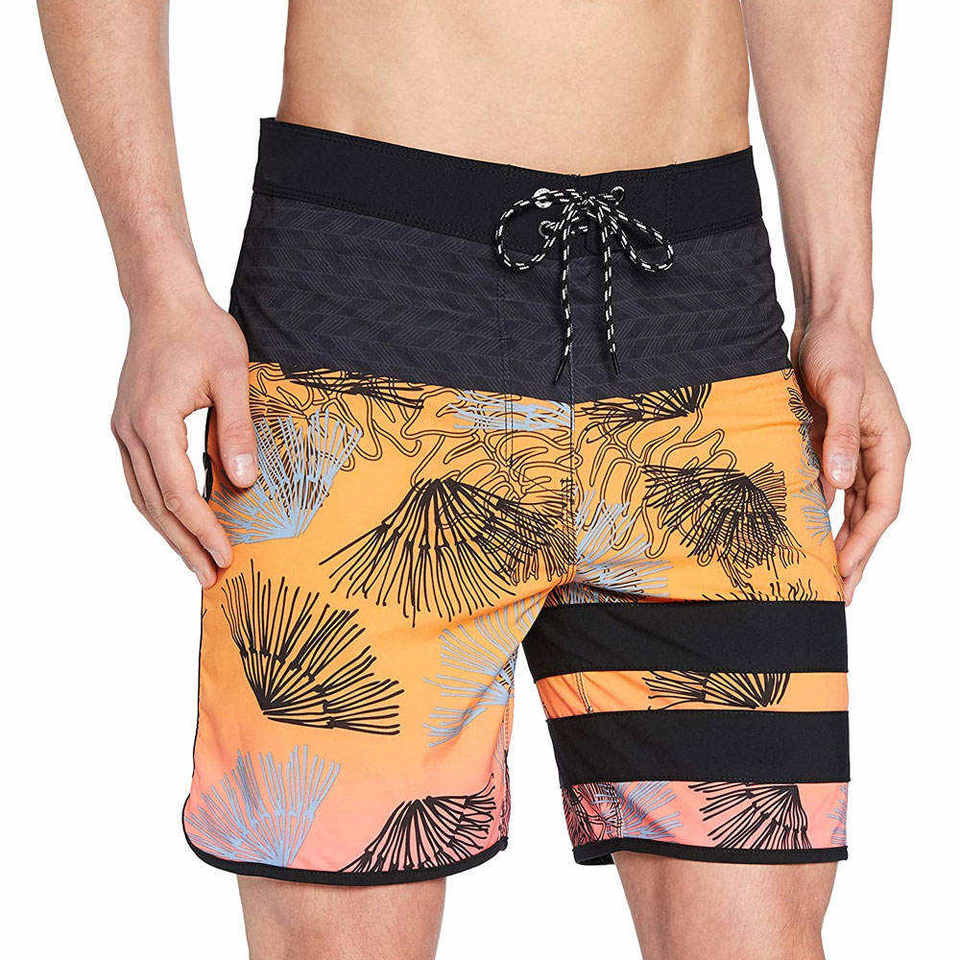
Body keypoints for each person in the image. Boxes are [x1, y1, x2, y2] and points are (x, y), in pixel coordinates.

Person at [38, 2, 909, 958]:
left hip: (707, 344)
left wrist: (842, 307)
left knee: (762, 936)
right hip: (366, 340)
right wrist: (157, 287)